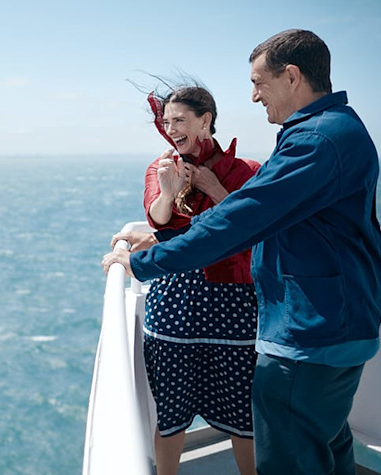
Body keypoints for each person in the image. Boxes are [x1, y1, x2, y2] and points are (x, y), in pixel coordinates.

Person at [102, 29, 381, 474]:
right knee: (326, 450)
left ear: (291, 77)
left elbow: (242, 219)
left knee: (291, 459)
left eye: (259, 82)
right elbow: (260, 213)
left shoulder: (316, 141)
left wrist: (143, 262)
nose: (254, 97)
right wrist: (160, 237)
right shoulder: (329, 130)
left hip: (310, 332)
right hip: (335, 323)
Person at [137, 83, 261, 475]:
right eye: (167, 121)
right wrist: (169, 190)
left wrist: (215, 189)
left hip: (234, 303)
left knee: (244, 414)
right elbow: (157, 219)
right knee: (170, 412)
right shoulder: (162, 166)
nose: (172, 129)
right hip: (174, 302)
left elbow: (252, 228)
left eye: (181, 120)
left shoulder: (248, 171)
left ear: (205, 120)